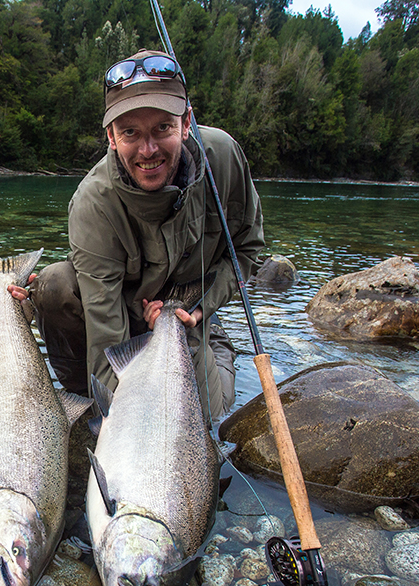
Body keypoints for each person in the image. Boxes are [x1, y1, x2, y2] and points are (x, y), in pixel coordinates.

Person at [32, 50, 266, 423]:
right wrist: (118, 421)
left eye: (162, 128)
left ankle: (210, 347)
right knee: (55, 284)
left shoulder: (223, 158)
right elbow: (107, 334)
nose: (148, 149)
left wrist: (198, 311)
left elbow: (248, 251)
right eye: (130, 132)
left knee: (205, 423)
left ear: (186, 122)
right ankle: (83, 399)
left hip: (193, 320)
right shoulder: (94, 203)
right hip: (123, 321)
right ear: (111, 136)